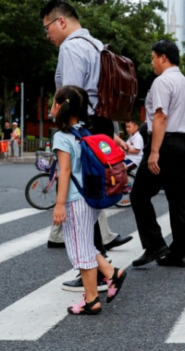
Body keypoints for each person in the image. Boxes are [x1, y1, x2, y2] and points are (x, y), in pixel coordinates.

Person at [40, 0, 132, 291]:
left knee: (79, 199)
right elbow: (105, 96)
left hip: (83, 127)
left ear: (61, 21)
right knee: (90, 199)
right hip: (100, 126)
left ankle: (95, 275)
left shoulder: (71, 47)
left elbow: (70, 96)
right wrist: (111, 133)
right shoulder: (97, 45)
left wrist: (65, 127)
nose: (47, 35)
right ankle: (102, 269)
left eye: (47, 27)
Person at [50, 85, 127, 315]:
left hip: (75, 201)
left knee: (80, 252)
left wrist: (59, 204)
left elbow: (64, 172)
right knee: (86, 245)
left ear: (60, 106)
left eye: (53, 102)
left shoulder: (62, 137)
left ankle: (92, 300)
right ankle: (112, 273)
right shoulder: (85, 132)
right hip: (90, 198)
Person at [130, 40, 185, 268]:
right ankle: (180, 253)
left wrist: (154, 151)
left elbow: (160, 116)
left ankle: (155, 244)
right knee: (179, 201)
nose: (152, 63)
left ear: (163, 58)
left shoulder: (162, 81)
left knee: (138, 194)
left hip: (163, 143)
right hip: (180, 144)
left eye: (153, 58)